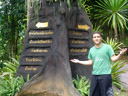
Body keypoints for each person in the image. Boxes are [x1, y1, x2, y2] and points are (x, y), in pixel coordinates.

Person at [70, 31, 127, 96]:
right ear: (92, 39)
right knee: (94, 94)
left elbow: (113, 59)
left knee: (105, 94)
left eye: (98, 37)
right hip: (95, 76)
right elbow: (90, 62)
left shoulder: (107, 48)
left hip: (105, 76)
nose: (96, 38)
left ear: (101, 38)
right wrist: (78, 61)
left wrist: (120, 54)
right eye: (94, 37)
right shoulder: (92, 50)